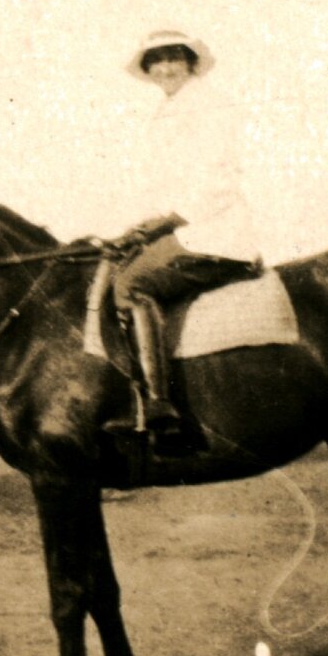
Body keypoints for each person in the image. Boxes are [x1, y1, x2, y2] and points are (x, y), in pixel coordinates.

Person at [107, 30, 262, 448]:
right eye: (155, 60)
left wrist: (162, 224)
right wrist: (135, 232)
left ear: (191, 62)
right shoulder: (168, 111)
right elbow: (162, 189)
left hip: (214, 231)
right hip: (184, 228)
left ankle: (160, 406)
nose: (165, 67)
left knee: (131, 284)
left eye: (173, 56)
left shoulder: (208, 104)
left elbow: (217, 179)